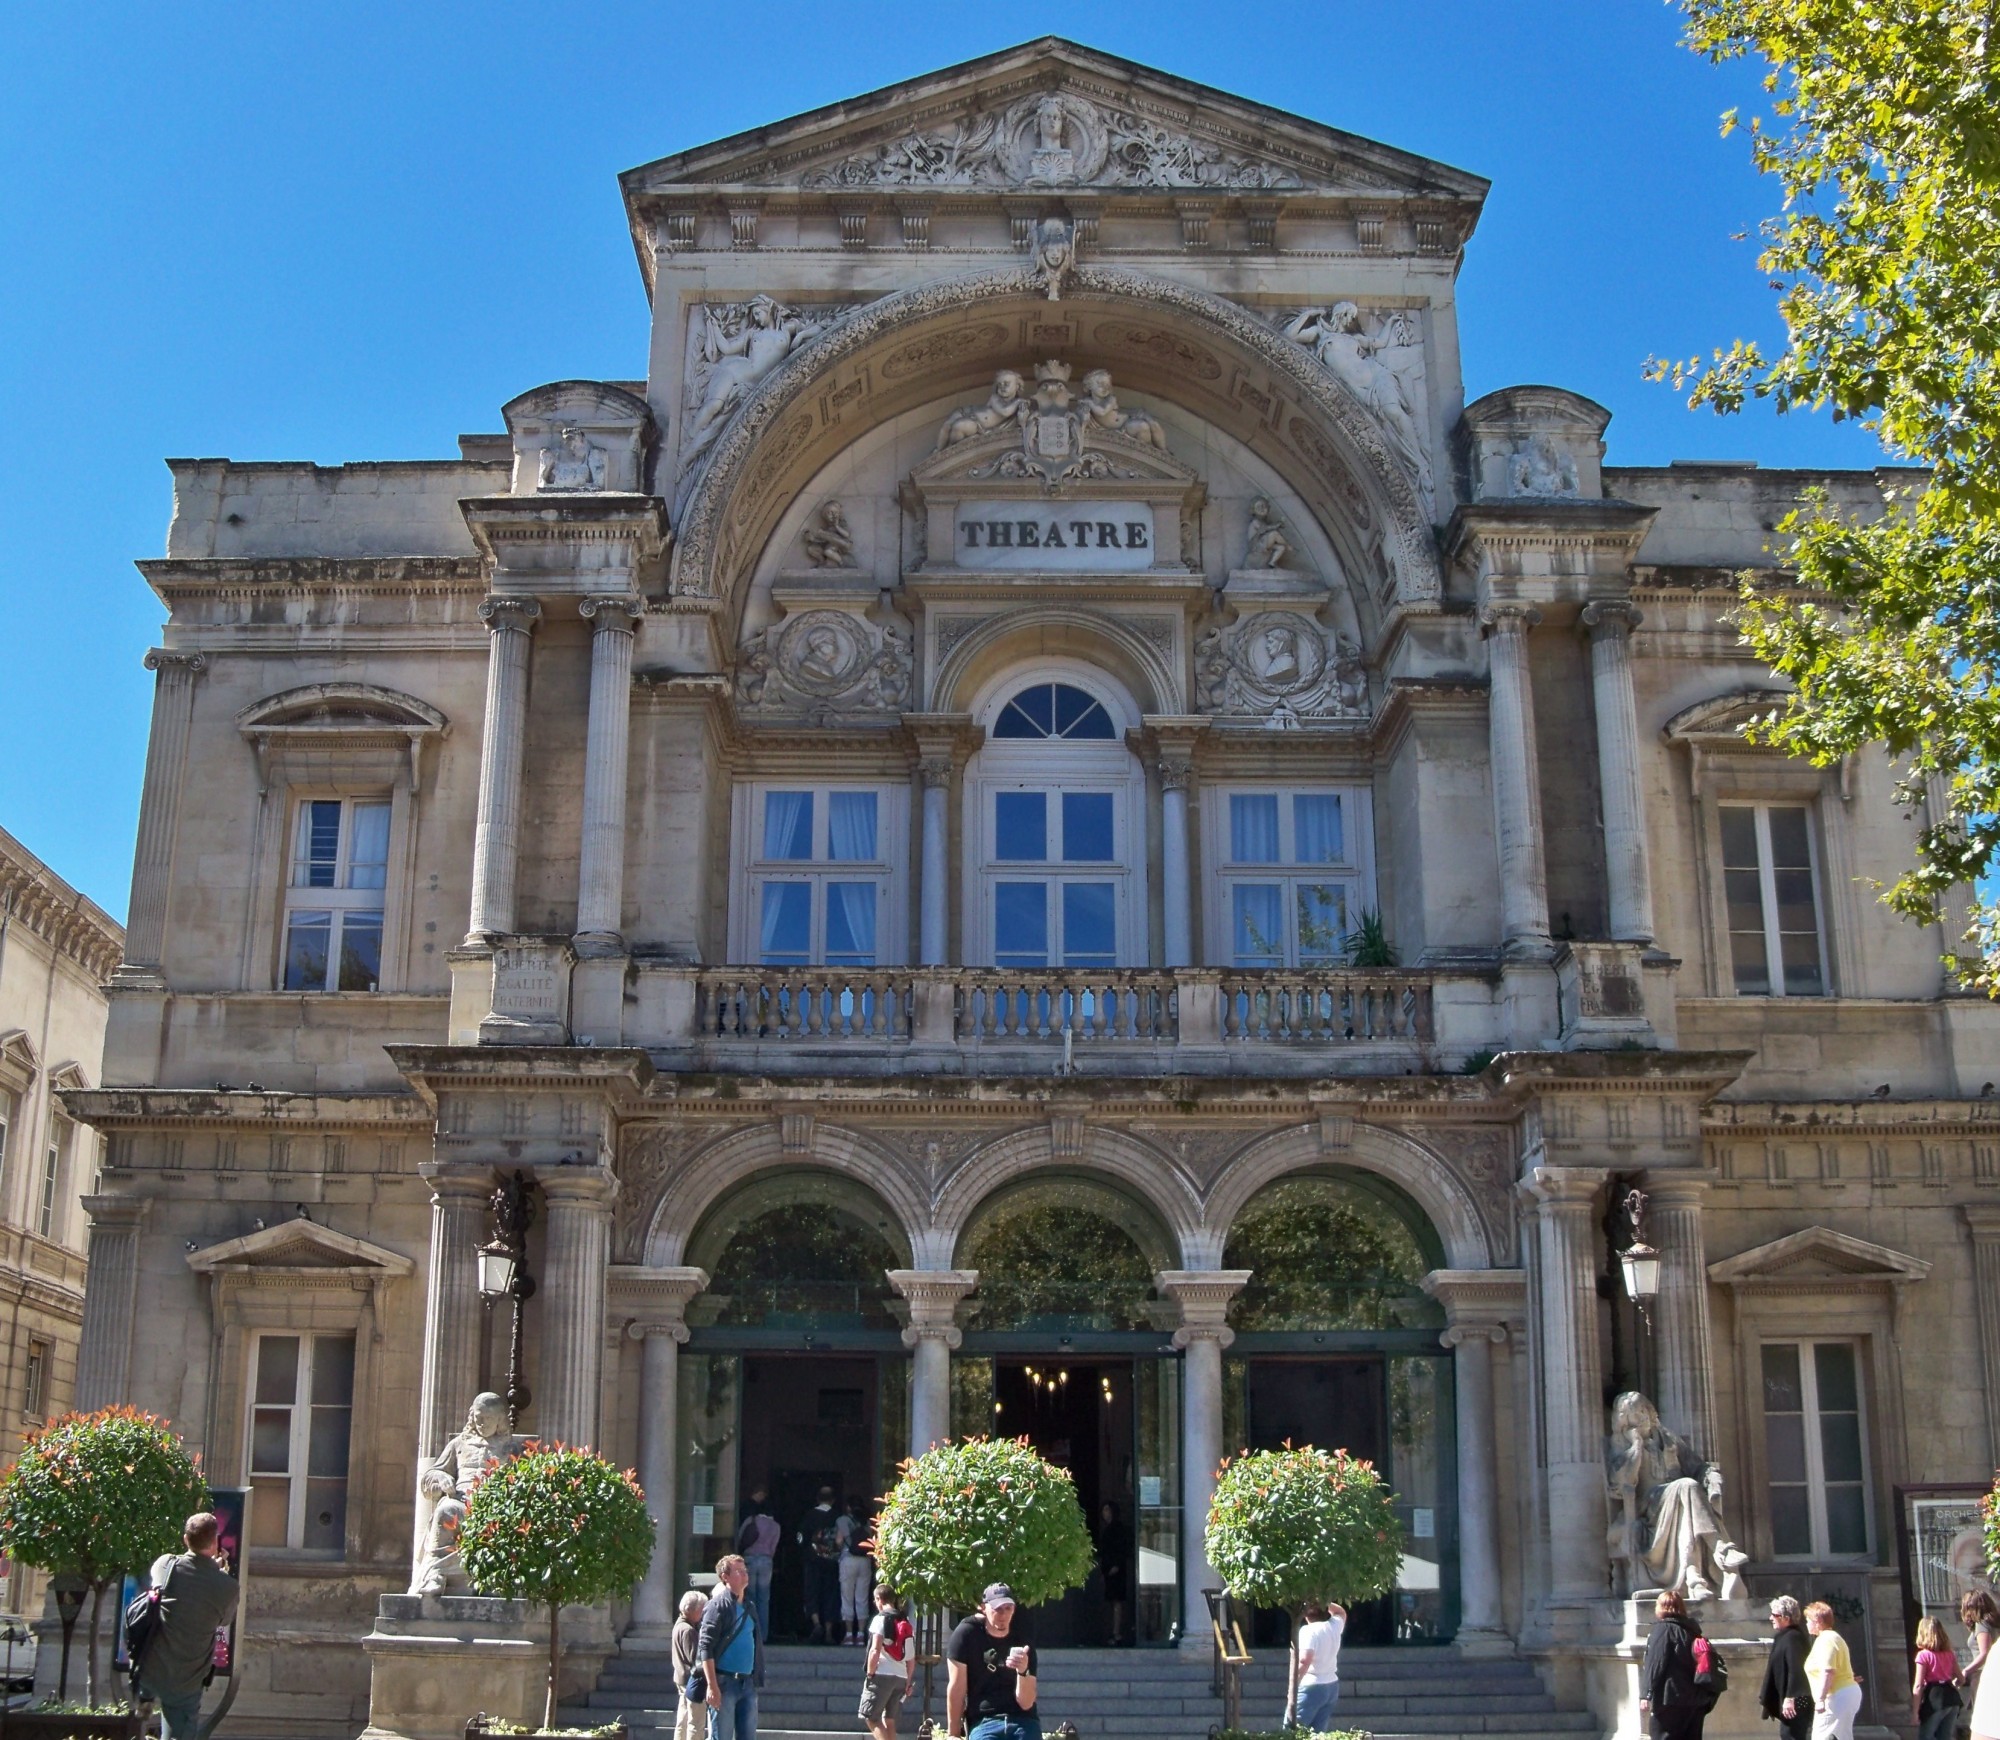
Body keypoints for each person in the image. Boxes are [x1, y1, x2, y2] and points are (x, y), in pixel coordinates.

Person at [135, 1511, 241, 1740]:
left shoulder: (165, 1564)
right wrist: (219, 1572)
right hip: (187, 1677)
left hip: (151, 1666)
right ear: (215, 1542)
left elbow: (163, 1583)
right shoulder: (227, 1587)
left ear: (186, 1539)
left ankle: (145, 1697)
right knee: (179, 1732)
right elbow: (224, 1620)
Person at [946, 1582, 1039, 1740]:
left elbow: (1026, 1703)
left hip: (1023, 1720)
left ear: (1014, 1609)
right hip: (984, 1721)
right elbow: (957, 1689)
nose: (1003, 1615)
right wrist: (953, 1734)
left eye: (1008, 1608)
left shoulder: (1023, 1641)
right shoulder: (967, 1634)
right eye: (997, 1609)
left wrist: (1023, 1671)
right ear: (983, 1608)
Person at [700, 1554, 760, 1740]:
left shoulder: (750, 1606)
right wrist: (712, 1686)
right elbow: (705, 1647)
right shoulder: (717, 1606)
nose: (744, 1575)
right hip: (724, 1682)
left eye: (745, 1571)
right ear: (725, 1577)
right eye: (739, 1572)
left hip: (747, 1682)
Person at [1640, 1589, 1708, 1740]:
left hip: (1669, 1697)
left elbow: (1656, 1662)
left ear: (1661, 1607)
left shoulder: (1663, 1629)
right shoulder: (1692, 1630)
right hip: (1694, 1698)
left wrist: (1646, 1693)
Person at [860, 1584, 915, 1740]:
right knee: (889, 1720)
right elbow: (911, 1657)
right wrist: (908, 1682)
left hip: (882, 1675)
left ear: (879, 1599)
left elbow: (875, 1650)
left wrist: (870, 1673)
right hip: (901, 1677)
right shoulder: (905, 1621)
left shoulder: (880, 1619)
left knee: (871, 1717)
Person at [1804, 1601, 1863, 1740]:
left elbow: (1828, 1671)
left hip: (1835, 1695)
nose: (1806, 1624)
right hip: (1844, 1692)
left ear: (1817, 1621)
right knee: (1842, 1736)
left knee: (1822, 1737)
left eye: (1808, 1620)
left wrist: (1820, 1699)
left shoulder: (1825, 1639)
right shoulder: (1834, 1637)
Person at [1760, 1595, 1814, 1740]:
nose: (1771, 1618)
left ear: (1785, 1617)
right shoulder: (1783, 1637)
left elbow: (1796, 1669)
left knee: (1791, 1736)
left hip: (1797, 1700)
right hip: (1790, 1699)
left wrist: (1790, 1697)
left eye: (1774, 1615)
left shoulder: (1793, 1638)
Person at [1294, 1598, 1349, 1732]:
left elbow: (1304, 1660)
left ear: (1305, 1615)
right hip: (1331, 1684)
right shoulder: (1333, 1626)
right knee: (1318, 1733)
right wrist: (1322, 1600)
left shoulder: (1308, 1631)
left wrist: (1294, 1684)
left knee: (1294, 1730)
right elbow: (1340, 1612)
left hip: (1311, 1684)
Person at [733, 1491, 780, 1642]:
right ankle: (763, 1635)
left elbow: (740, 1538)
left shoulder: (750, 1520)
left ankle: (750, 1633)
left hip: (750, 1559)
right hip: (766, 1561)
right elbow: (773, 1548)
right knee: (764, 1599)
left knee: (750, 1596)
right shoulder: (775, 1526)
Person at [799, 1487, 843, 1643]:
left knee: (812, 1592)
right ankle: (830, 1631)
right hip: (832, 1562)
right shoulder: (837, 1516)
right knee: (831, 1594)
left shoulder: (809, 1515)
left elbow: (800, 1538)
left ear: (817, 1499)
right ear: (833, 1500)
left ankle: (816, 1623)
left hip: (812, 1560)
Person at [1913, 1615, 1963, 1740]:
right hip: (1952, 1698)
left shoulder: (1923, 1655)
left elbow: (1918, 1686)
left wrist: (1915, 1712)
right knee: (1945, 1736)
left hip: (1934, 1699)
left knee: (1926, 1736)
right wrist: (1953, 1683)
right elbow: (1961, 1679)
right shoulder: (1949, 1654)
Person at [1094, 1502, 1132, 1646]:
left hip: (1116, 1570)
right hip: (1108, 1570)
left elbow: (1121, 1549)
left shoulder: (1118, 1529)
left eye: (1107, 1510)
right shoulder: (1107, 1529)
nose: (1105, 1513)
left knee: (1117, 1601)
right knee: (1111, 1602)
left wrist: (1116, 1565)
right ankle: (1112, 1632)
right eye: (1103, 1510)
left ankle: (1117, 1633)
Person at [673, 1590, 709, 1740]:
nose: (703, 1612)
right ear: (692, 1610)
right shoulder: (688, 1630)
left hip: (681, 1678)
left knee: (683, 1719)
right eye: (701, 1609)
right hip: (691, 1681)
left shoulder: (679, 1625)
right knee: (695, 1722)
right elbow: (696, 1659)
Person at [838, 1499, 874, 1646]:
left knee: (847, 1596)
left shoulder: (843, 1520)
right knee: (862, 1597)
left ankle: (848, 1634)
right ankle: (860, 1634)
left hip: (848, 1559)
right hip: (864, 1561)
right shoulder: (868, 1523)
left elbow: (839, 1540)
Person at [1961, 1591, 2000, 1700]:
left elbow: (1984, 1654)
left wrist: (1965, 1671)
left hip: (1983, 1675)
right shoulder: (1995, 1623)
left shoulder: (1982, 1624)